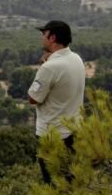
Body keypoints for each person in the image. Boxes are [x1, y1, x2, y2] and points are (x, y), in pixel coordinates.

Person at [28, 20, 85, 183]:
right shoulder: (76, 59)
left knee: (54, 185)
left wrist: (42, 69)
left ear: (52, 37)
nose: (42, 38)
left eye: (43, 34)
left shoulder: (49, 68)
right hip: (74, 131)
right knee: (71, 183)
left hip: (52, 136)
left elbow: (33, 98)